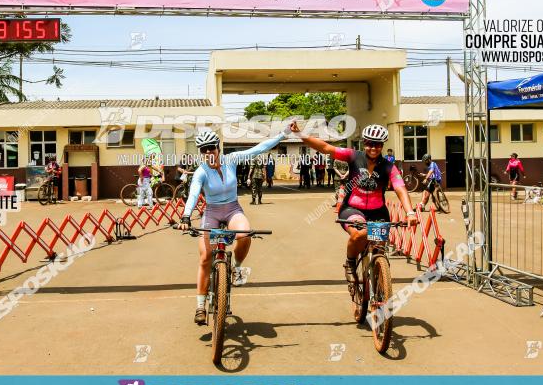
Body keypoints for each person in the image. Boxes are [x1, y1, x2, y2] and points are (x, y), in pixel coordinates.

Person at [178, 125, 295, 325]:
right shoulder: (200, 172)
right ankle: (200, 306)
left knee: (245, 235)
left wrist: (283, 134)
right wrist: (186, 216)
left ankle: (236, 268)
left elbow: (258, 149)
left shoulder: (230, 160)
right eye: (203, 150)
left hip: (232, 209)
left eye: (211, 147)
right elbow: (194, 194)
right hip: (212, 212)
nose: (208, 152)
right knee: (206, 257)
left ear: (218, 147)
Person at [295, 124, 418, 293]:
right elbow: (325, 147)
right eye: (369, 143)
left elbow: (400, 188)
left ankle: (379, 278)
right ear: (364, 143)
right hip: (353, 209)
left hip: (378, 212)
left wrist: (410, 212)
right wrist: (300, 134)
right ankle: (351, 264)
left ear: (383, 145)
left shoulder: (389, 166)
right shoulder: (353, 156)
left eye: (377, 144)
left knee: (379, 249)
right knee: (360, 233)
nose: (373, 148)